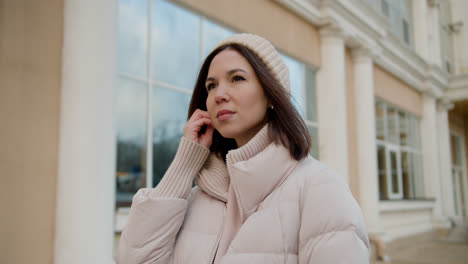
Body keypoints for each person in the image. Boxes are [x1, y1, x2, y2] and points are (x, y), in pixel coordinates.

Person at [116, 33, 370, 264]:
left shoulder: (320, 189)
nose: (219, 94)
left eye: (237, 78)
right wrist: (185, 164)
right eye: (211, 85)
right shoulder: (198, 198)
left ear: (271, 94)